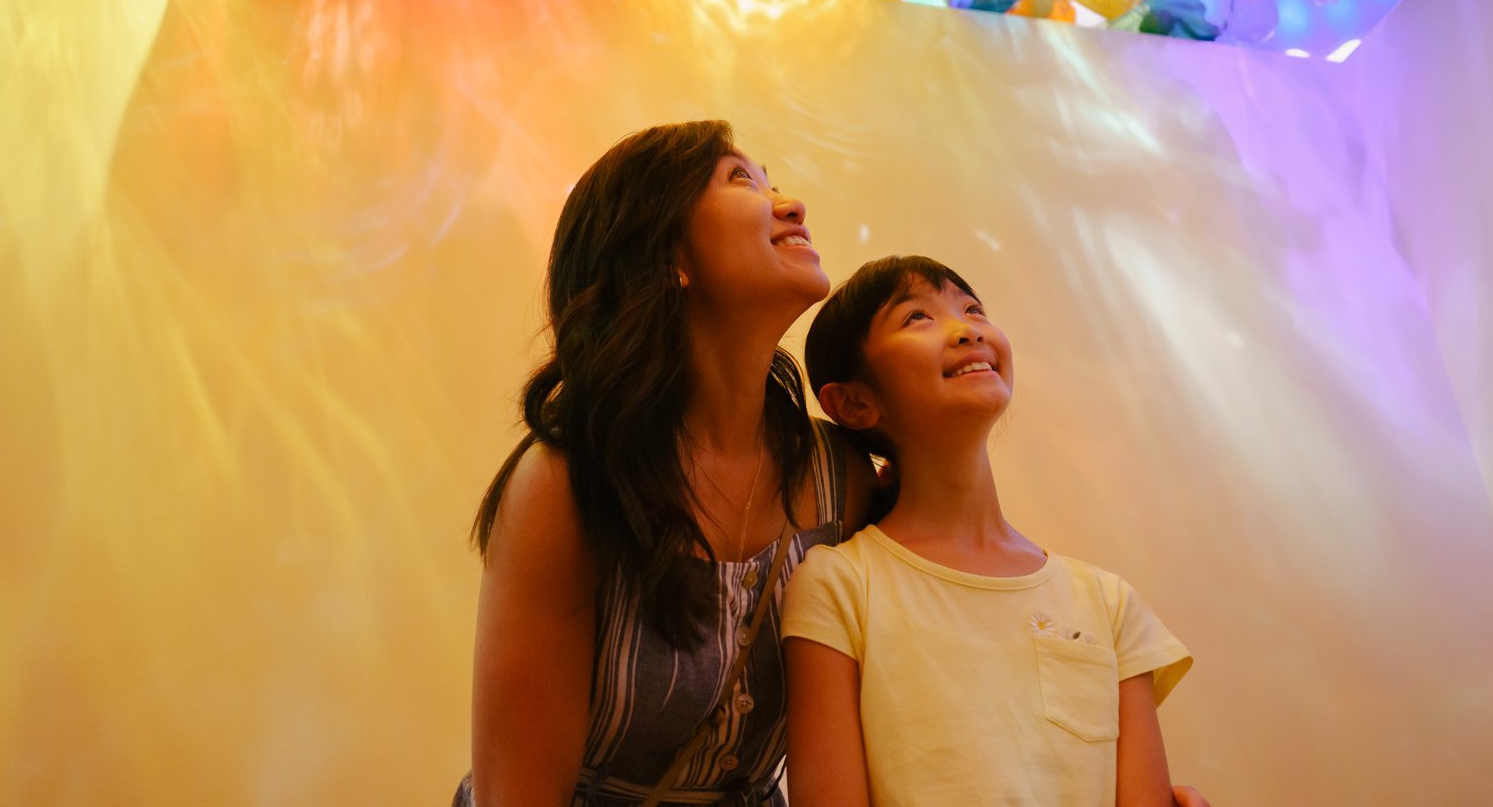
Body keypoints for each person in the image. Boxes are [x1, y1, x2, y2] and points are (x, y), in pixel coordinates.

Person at [457, 121, 875, 806]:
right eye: (742, 179)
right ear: (665, 253)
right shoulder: (566, 485)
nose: (792, 204)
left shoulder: (843, 482)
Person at [783, 255, 1195, 807]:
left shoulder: (1108, 603)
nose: (967, 327)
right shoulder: (837, 586)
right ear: (854, 402)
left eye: (973, 308)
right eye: (917, 318)